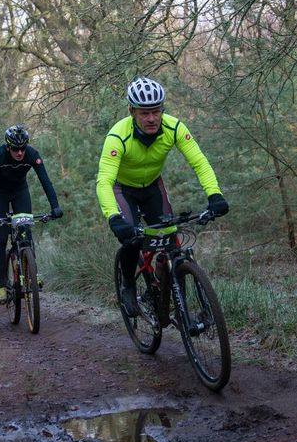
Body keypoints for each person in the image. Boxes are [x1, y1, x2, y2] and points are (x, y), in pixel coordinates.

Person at [95, 76, 229, 315]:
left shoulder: (174, 128)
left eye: (156, 111)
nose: (151, 118)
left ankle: (161, 284)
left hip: (152, 186)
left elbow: (199, 162)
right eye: (144, 113)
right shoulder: (117, 136)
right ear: (132, 112)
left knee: (169, 236)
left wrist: (214, 194)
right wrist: (113, 217)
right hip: (122, 189)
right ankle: (127, 284)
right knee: (132, 238)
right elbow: (104, 180)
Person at [0, 124, 64, 304]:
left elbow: (45, 181)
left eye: (22, 148)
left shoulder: (32, 154)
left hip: (19, 191)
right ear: (8, 147)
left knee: (26, 231)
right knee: (2, 237)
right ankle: (1, 285)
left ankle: (32, 272)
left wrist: (55, 206)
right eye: (15, 149)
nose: (19, 153)